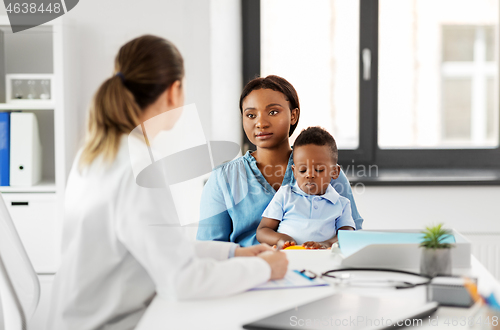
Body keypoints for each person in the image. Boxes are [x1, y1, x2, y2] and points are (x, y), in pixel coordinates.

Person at [47, 35, 288, 330]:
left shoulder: (97, 151)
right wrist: (262, 268)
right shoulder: (139, 166)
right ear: (175, 91)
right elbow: (181, 280)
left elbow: (161, 246)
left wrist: (233, 253)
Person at [197, 75, 363, 247]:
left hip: (314, 270)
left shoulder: (327, 172)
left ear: (293, 115)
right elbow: (210, 248)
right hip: (250, 271)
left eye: (273, 112)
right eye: (251, 115)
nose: (261, 123)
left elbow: (352, 234)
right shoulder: (223, 178)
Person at [256, 127, 355, 249]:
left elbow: (347, 234)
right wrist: (281, 238)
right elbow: (263, 231)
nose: (309, 175)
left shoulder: (342, 204)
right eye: (302, 170)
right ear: (294, 172)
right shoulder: (285, 195)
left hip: (322, 259)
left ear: (334, 172)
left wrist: (327, 243)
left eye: (318, 169)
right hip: (288, 258)